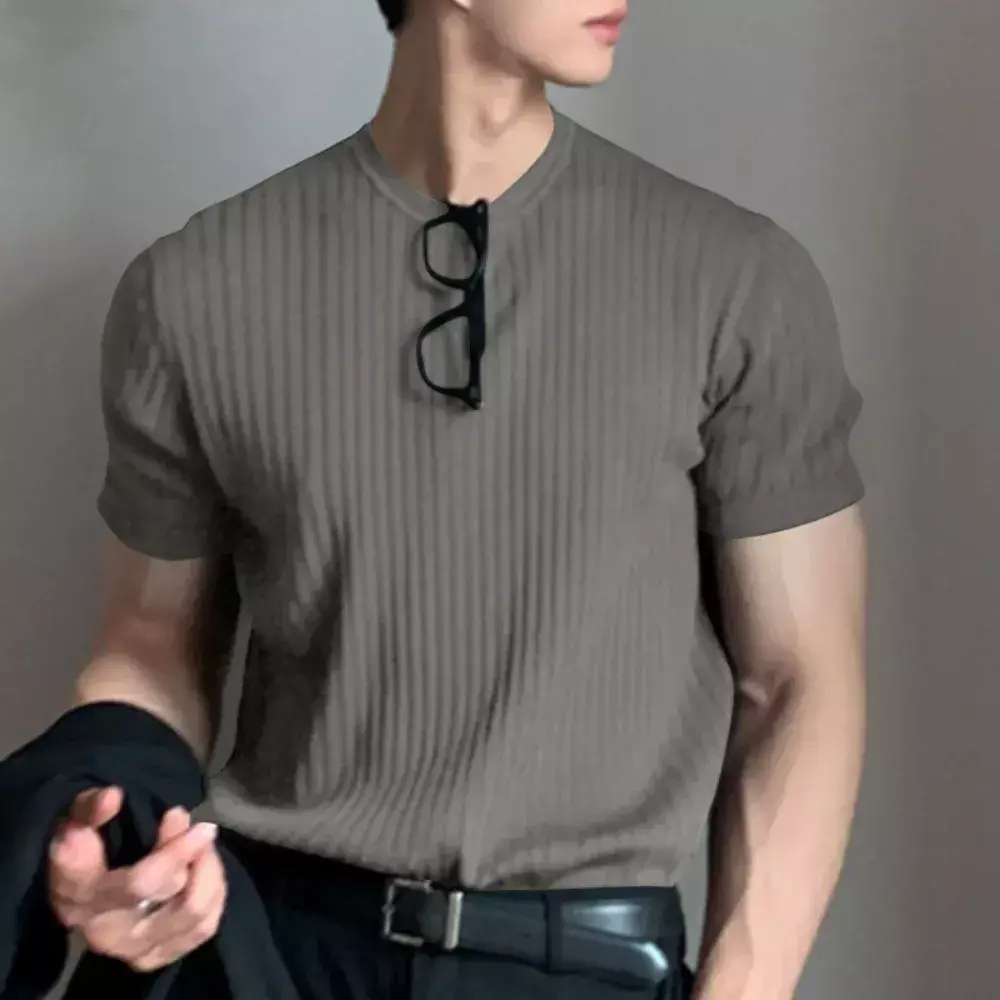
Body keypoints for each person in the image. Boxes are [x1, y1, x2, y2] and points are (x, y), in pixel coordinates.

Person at [45, 0, 868, 998]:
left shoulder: (738, 282)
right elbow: (152, 647)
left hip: (579, 966)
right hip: (274, 950)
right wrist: (120, 842)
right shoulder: (189, 290)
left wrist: (745, 986)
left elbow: (800, 677)